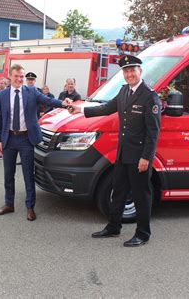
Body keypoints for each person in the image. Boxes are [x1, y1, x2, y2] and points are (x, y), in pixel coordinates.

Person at [69, 55, 161, 247]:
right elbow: (106, 108)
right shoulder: (124, 91)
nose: (129, 74)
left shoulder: (149, 96)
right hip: (123, 154)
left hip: (139, 158)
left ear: (140, 71)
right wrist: (80, 110)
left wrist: (146, 157)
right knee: (118, 191)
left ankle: (143, 234)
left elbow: (153, 131)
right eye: (126, 71)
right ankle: (114, 226)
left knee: (141, 195)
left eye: (132, 70)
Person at [0, 64, 70, 221]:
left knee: (28, 174)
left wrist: (64, 103)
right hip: (8, 139)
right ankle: (9, 204)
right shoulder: (2, 95)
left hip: (26, 139)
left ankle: (30, 207)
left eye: (22, 76)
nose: (20, 79)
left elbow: (49, 100)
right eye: (17, 76)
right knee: (8, 174)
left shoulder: (32, 92)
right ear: (10, 77)